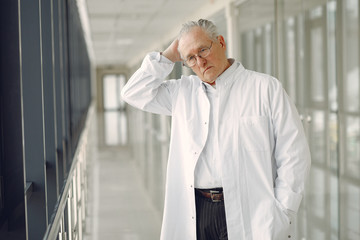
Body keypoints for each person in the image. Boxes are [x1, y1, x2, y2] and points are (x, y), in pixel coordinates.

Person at [121, 19, 311, 240]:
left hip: (252, 211)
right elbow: (132, 92)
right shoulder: (182, 93)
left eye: (203, 49)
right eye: (190, 58)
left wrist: (284, 211)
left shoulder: (265, 88)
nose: (200, 61)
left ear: (221, 42)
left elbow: (294, 154)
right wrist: (168, 56)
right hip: (197, 212)